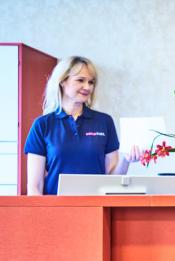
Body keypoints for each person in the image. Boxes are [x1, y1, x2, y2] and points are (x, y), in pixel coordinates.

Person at [24, 56, 142, 195]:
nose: (87, 87)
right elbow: (35, 186)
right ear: (62, 81)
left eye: (91, 82)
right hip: (56, 209)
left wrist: (126, 159)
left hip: (97, 208)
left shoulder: (104, 122)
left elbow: (113, 179)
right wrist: (42, 215)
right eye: (80, 80)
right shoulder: (42, 125)